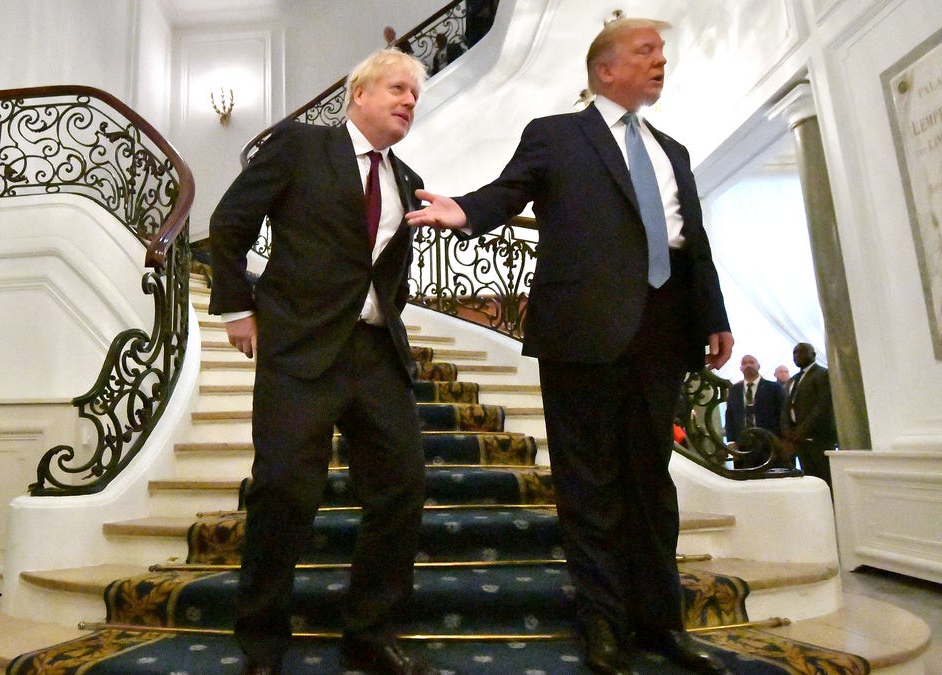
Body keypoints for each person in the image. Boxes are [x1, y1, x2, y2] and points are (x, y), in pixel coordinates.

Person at [406, 17, 732, 675]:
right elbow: (508, 191)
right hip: (583, 331)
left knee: (651, 485)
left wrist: (714, 316)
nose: (661, 61)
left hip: (665, 332)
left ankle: (661, 624)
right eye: (647, 51)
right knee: (589, 487)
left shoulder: (674, 150)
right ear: (605, 69)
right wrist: (463, 212)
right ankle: (603, 627)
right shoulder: (556, 134)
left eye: (662, 51)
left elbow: (690, 239)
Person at [209, 48, 435, 675]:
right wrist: (237, 309)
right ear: (358, 93)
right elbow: (229, 224)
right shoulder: (300, 146)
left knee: (403, 486)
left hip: (375, 355)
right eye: (397, 89)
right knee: (282, 491)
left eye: (414, 96)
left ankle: (370, 632)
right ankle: (261, 639)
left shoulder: (406, 177)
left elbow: (387, 269)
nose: (408, 102)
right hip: (299, 349)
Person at [781, 342, 837, 491]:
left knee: (824, 478)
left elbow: (822, 406)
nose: (797, 356)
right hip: (798, 439)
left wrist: (803, 429)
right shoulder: (793, 380)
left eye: (802, 352)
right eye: (794, 353)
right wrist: (786, 429)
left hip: (817, 438)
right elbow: (786, 406)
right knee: (809, 478)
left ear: (813, 354)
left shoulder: (822, 374)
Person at [724, 354, 785, 469]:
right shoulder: (734, 390)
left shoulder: (773, 388)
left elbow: (782, 413)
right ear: (740, 368)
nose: (748, 365)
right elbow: (730, 416)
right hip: (742, 444)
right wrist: (731, 441)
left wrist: (782, 440)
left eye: (751, 362)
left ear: (758, 366)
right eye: (744, 363)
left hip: (768, 442)